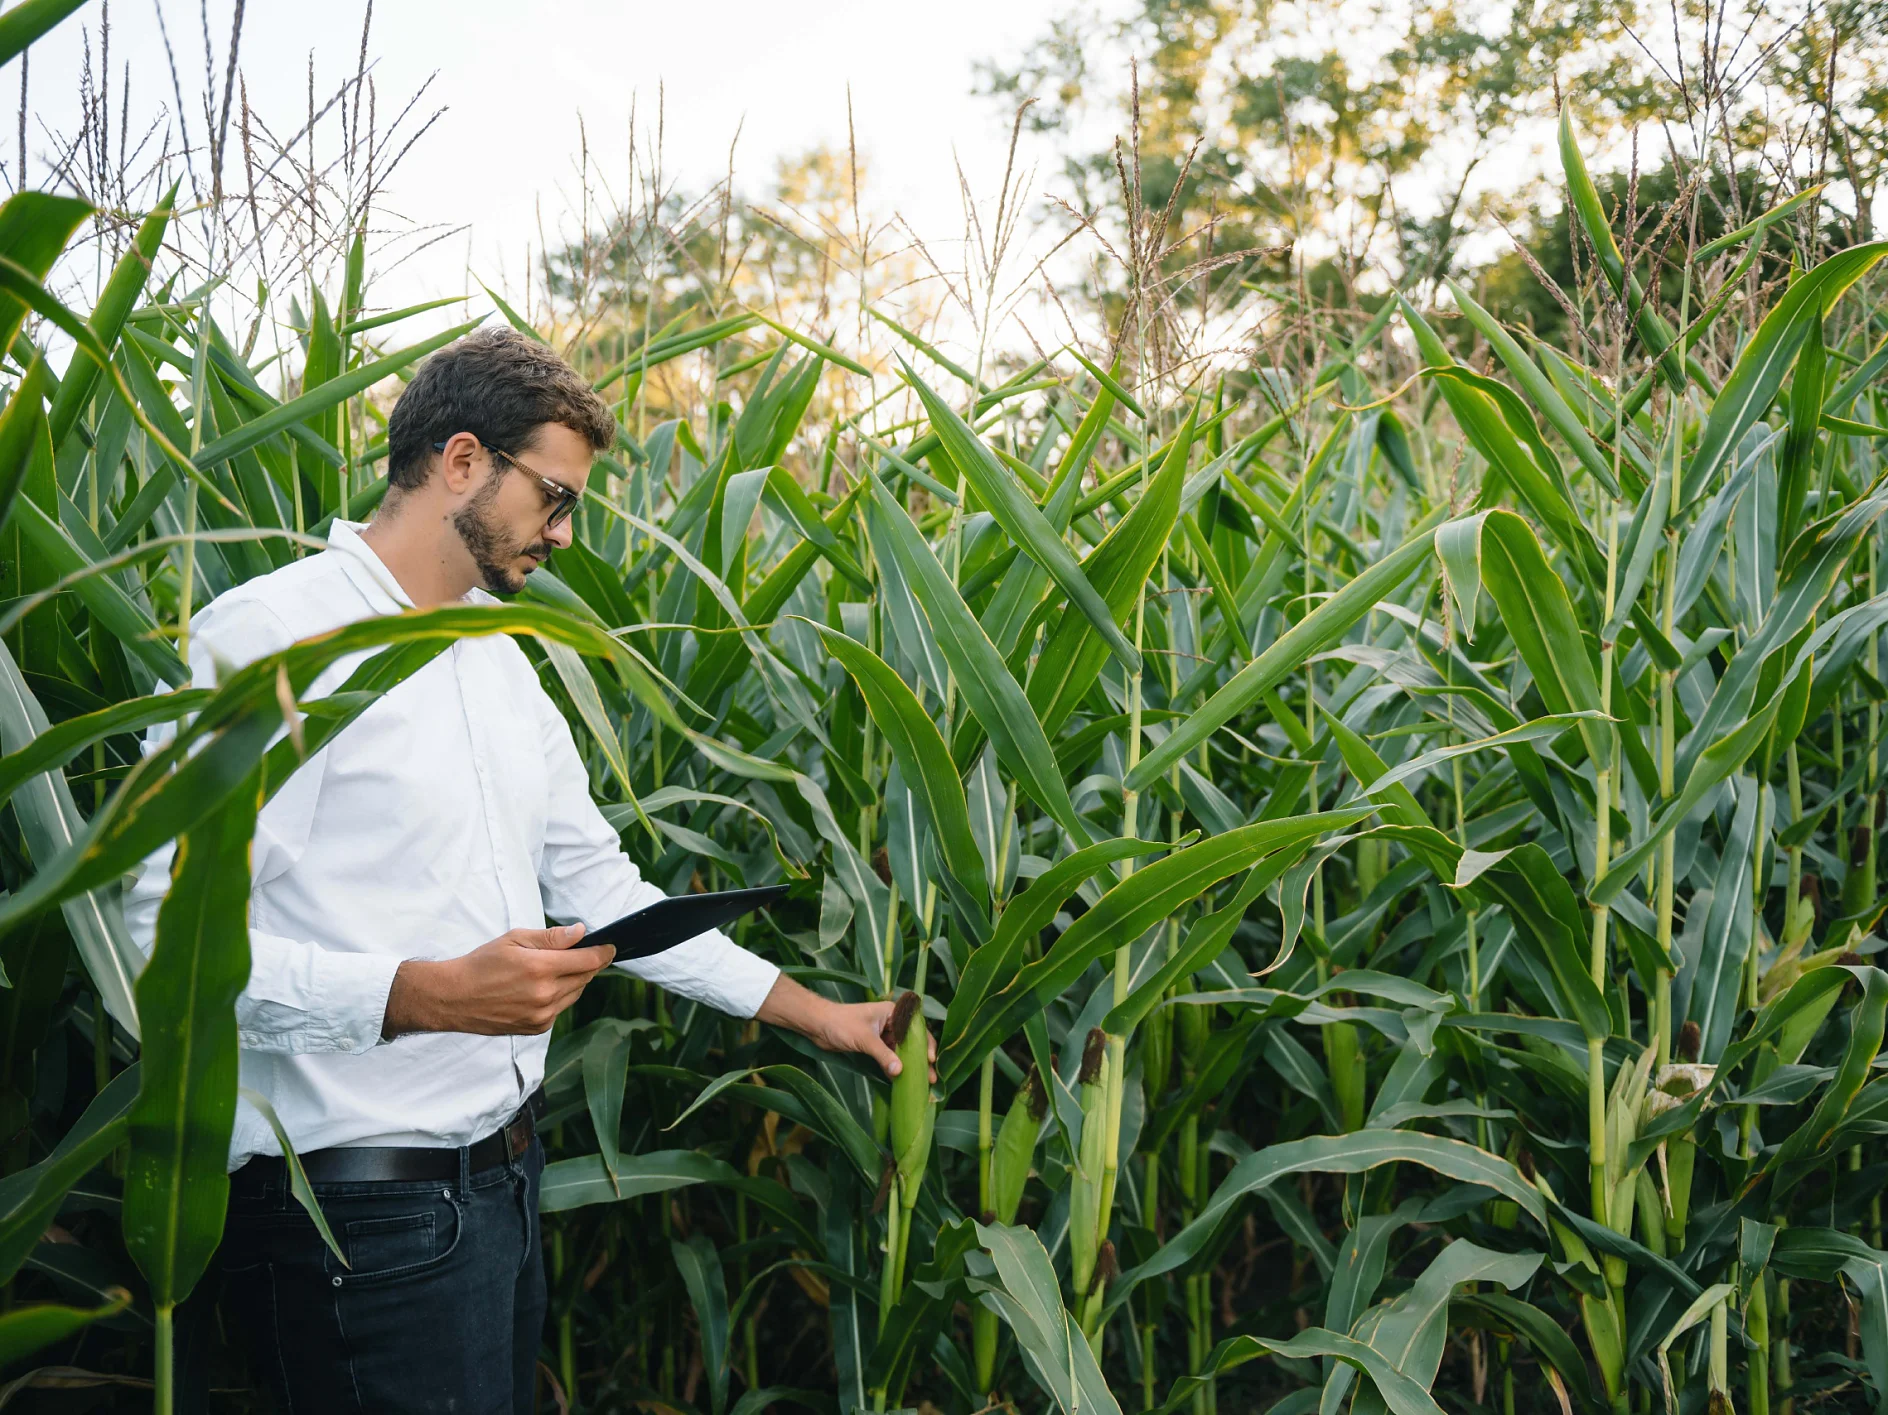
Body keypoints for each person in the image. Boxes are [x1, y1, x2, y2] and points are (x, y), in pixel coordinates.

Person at [125, 327, 924, 1414]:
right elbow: (157, 956)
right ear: (461, 462)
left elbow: (605, 890)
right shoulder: (272, 639)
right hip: (353, 1215)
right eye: (552, 496)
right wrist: (421, 994)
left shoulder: (496, 658)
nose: (563, 532)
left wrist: (810, 1010)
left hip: (499, 1186)